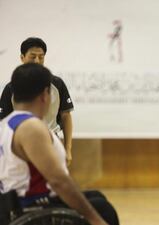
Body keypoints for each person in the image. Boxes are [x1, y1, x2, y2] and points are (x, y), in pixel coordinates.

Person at [0, 63, 118, 225]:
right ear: (45, 94)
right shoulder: (31, 127)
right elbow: (58, 181)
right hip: (33, 207)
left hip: (13, 203)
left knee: (96, 196)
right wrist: (95, 219)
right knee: (102, 209)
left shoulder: (6, 124)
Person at [0, 37, 74, 165]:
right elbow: (3, 122)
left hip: (51, 140)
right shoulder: (11, 88)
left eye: (41, 57)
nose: (37, 61)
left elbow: (66, 116)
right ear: (22, 57)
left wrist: (68, 149)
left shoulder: (57, 84)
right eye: (32, 56)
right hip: (21, 145)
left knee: (54, 180)